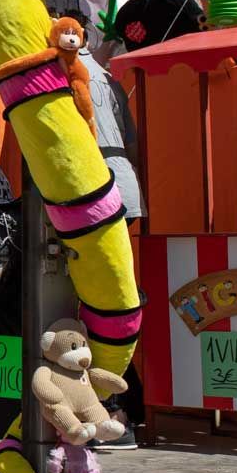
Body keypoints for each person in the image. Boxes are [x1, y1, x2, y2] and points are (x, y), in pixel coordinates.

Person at [80, 32, 142, 449]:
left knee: (100, 301)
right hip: (121, 181)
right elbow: (133, 142)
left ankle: (113, 409)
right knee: (114, 297)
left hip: (96, 182)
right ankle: (118, 406)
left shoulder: (67, 66)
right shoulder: (106, 75)